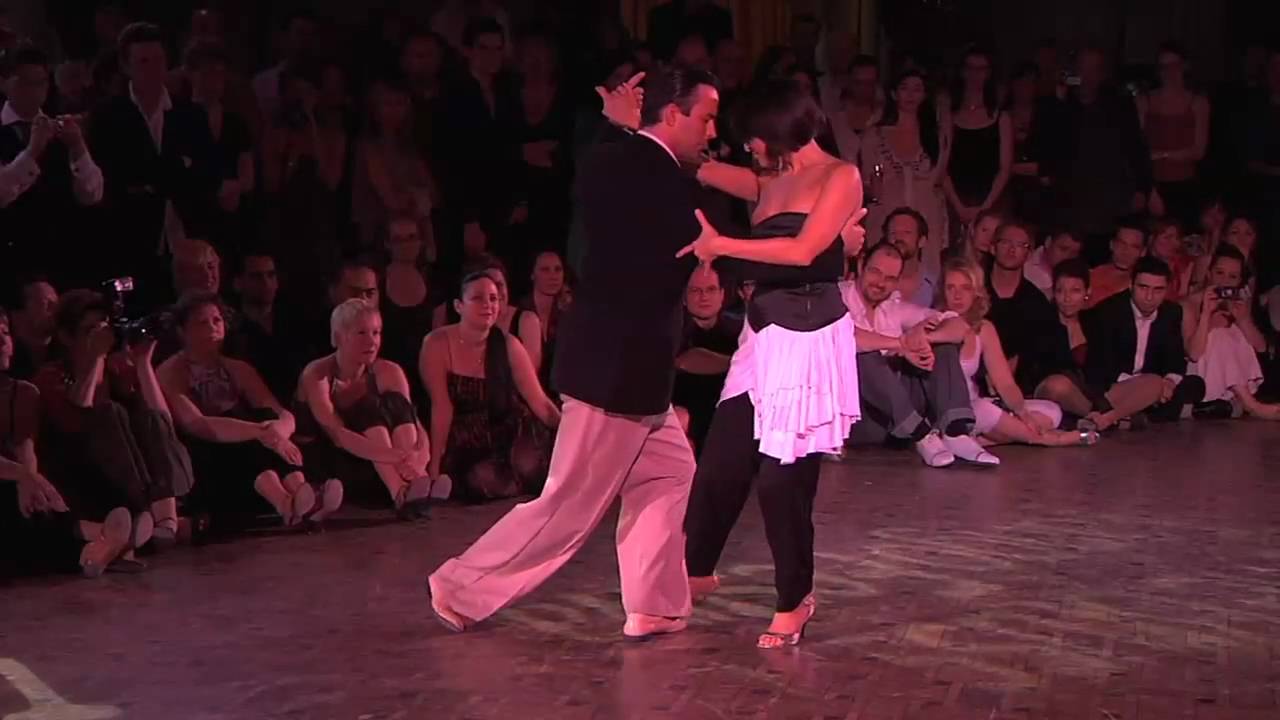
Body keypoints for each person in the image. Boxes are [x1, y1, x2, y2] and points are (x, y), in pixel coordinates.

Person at [428, 66, 718, 641]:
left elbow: (595, 182)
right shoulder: (656, 172)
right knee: (567, 508)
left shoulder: (633, 162)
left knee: (669, 472)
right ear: (675, 114)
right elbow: (662, 254)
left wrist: (615, 129)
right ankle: (460, 587)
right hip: (616, 376)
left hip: (634, 375)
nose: (713, 130)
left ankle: (654, 604)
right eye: (707, 116)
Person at [680, 80, 864, 648]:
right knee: (720, 468)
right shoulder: (766, 180)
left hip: (808, 342)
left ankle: (795, 598)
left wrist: (724, 247)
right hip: (763, 337)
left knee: (782, 483)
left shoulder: (841, 176)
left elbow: (803, 250)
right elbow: (699, 167)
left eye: (754, 139)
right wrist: (641, 125)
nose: (748, 149)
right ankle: (695, 571)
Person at [158, 293, 342, 533]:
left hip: (252, 449)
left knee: (263, 419)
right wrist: (262, 432)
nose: (213, 327)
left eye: (217, 320)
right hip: (206, 457)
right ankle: (287, 503)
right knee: (253, 429)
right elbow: (196, 424)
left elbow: (281, 413)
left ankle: (301, 495)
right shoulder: (172, 371)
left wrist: (278, 433)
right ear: (182, 331)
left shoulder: (236, 368)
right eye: (202, 323)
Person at [2, 307, 135, 579]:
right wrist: (25, 476)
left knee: (28, 497)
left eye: (4, 333)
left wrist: (30, 480)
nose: (1, 340)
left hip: (12, 474)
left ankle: (93, 546)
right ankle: (97, 539)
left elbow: (24, 446)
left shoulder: (22, 391)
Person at [840, 242, 996, 467]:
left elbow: (957, 324)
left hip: (895, 421)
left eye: (890, 278)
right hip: (857, 417)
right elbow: (848, 336)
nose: (881, 283)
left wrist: (924, 339)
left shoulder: (892, 306)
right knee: (864, 354)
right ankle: (920, 434)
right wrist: (902, 345)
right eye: (875, 272)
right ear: (862, 264)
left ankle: (955, 432)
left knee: (942, 344)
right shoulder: (839, 297)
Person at [420, 272, 559, 502]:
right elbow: (441, 406)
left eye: (493, 298)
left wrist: (572, 435)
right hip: (467, 439)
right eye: (478, 298)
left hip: (509, 429)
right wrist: (434, 465)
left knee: (531, 468)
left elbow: (540, 403)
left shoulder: (508, 345)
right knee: (481, 481)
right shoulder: (437, 343)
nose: (488, 305)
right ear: (458, 305)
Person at [294, 299, 434, 517]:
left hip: (379, 462)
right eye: (362, 333)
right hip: (333, 460)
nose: (372, 341)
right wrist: (396, 457)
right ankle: (399, 492)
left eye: (376, 333)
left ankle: (412, 488)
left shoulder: (388, 370)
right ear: (338, 337)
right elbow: (339, 436)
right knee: (368, 407)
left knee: (394, 403)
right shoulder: (318, 374)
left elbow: (415, 423)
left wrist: (418, 458)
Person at [939, 257, 1097, 447]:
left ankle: (985, 438)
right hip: (954, 409)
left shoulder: (984, 328)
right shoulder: (932, 322)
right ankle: (1053, 439)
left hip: (979, 402)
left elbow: (1005, 383)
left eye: (965, 288)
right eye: (951, 288)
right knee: (984, 411)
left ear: (976, 292)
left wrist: (1023, 414)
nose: (957, 295)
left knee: (1051, 411)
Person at [1081, 256, 1206, 424]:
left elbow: (1175, 359)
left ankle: (1138, 413)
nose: (1149, 296)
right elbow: (1102, 364)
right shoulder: (1108, 311)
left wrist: (1168, 382)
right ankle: (1125, 414)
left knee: (1195, 385)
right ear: (1131, 285)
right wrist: (1145, 384)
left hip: (1155, 383)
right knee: (1149, 386)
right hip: (1117, 382)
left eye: (1158, 290)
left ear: (1166, 290)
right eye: (1143, 287)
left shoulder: (1171, 313)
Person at [860, 68, 949, 272]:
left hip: (927, 218)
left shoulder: (935, 136)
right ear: (893, 93)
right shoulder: (874, 136)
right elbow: (866, 183)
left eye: (917, 89)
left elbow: (939, 180)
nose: (910, 95)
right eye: (904, 88)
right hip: (884, 218)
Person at [1182, 246, 1278, 419]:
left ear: (1240, 281)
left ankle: (1238, 400)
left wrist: (1243, 321)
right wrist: (1206, 318)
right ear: (1209, 273)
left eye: (1232, 277)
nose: (1224, 280)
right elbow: (1193, 354)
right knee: (1220, 335)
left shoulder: (1237, 303)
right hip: (1197, 376)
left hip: (1228, 380)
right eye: (1219, 273)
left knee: (1235, 331)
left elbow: (1261, 347)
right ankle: (1252, 405)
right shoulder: (1189, 305)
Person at [1023, 228, 1083, 297]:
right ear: (1048, 242)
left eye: (1074, 253)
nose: (1067, 257)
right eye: (1063, 249)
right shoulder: (1024, 267)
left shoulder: (1080, 276)